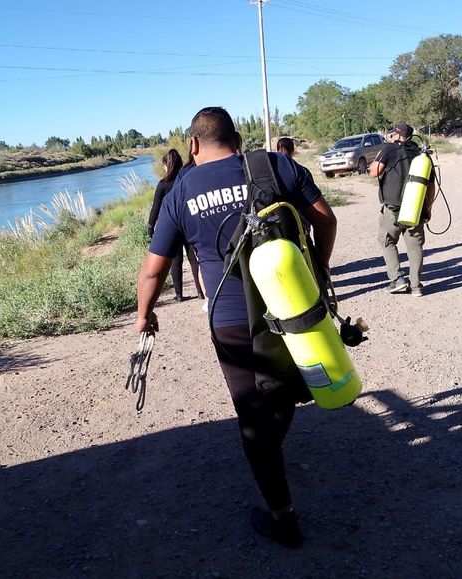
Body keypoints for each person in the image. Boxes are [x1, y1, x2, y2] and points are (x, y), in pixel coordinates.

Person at [135, 106, 337, 548]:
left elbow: (153, 270)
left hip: (231, 323)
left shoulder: (179, 190)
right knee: (282, 393)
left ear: (193, 144)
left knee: (253, 418)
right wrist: (319, 268)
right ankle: (272, 444)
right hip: (294, 304)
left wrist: (144, 315)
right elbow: (326, 218)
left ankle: (282, 518)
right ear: (238, 140)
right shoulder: (276, 164)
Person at [368, 122, 436, 297]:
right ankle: (416, 286)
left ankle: (397, 280)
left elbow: (374, 172)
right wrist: (427, 208)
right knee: (415, 247)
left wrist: (385, 148)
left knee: (387, 241)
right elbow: (431, 186)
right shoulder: (422, 154)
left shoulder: (389, 149)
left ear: (396, 135)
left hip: (393, 208)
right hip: (416, 208)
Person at [147, 149, 205, 302]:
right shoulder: (187, 178)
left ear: (167, 165)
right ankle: (200, 291)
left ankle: (179, 294)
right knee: (193, 257)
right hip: (188, 221)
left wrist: (150, 226)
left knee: (176, 259)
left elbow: (156, 207)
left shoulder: (163, 184)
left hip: (172, 225)